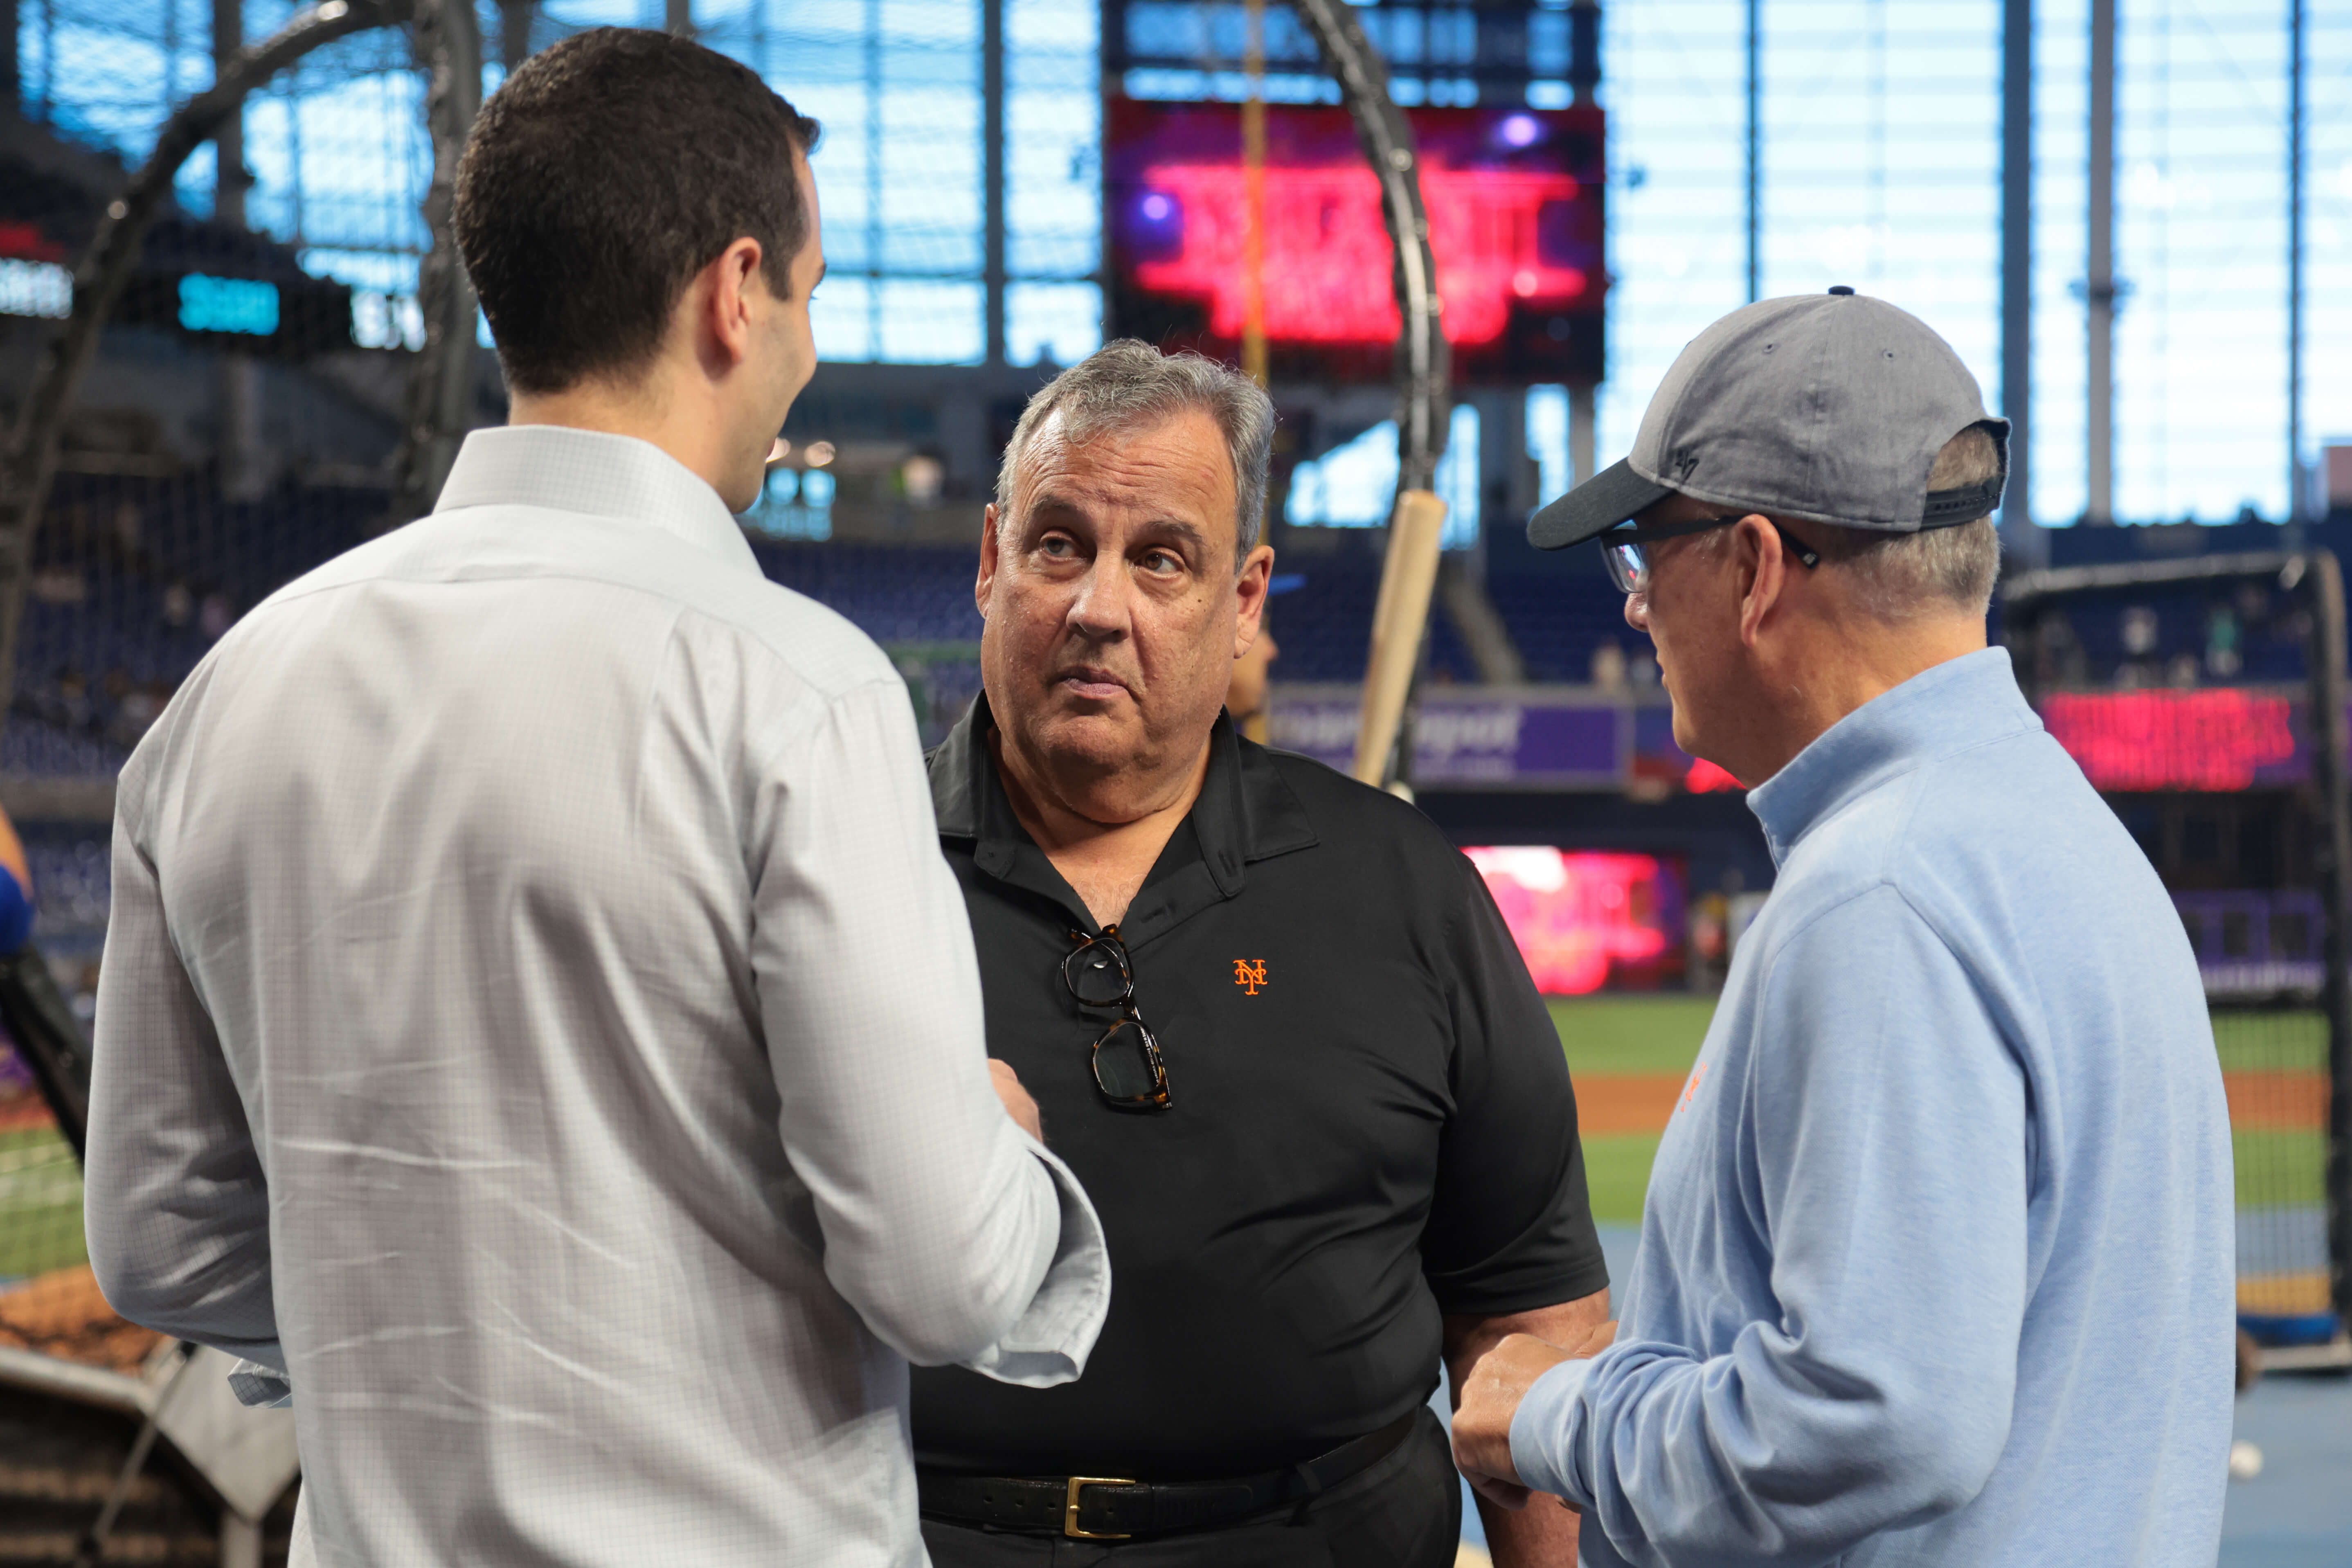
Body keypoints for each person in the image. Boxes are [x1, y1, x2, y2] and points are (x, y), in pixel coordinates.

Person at [83, 29, 1106, 1566]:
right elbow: (943, 1275)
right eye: (809, 300)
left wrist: (427, 1317)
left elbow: (157, 1237)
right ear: (733, 290)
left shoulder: (228, 691)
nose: (806, 352)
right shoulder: (795, 684)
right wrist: (1002, 1148)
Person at [1451, 289, 2235, 1565]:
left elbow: (1885, 1413)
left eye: (1648, 554)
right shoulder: (2056, 833)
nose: (1637, 606)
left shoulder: (1884, 887)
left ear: (1756, 568)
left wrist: (1563, 1411)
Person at [909, 340, 1610, 1568]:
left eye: (1161, 558)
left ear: (1243, 601)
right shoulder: (838, 875)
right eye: (1058, 543)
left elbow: (1526, 1316)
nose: (1097, 605)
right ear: (990, 563)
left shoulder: (1404, 889)